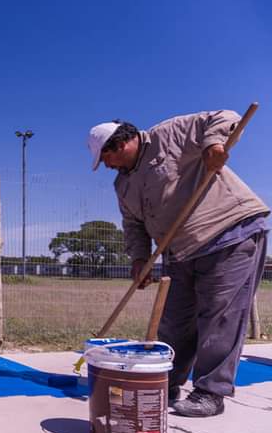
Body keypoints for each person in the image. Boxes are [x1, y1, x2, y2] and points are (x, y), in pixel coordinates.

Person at [86, 110, 268, 417]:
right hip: (179, 251)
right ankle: (166, 382)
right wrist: (140, 258)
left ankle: (211, 393)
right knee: (175, 322)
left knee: (220, 317)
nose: (106, 166)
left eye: (105, 158)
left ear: (118, 146)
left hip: (229, 233)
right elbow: (133, 225)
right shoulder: (123, 185)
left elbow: (224, 117)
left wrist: (212, 145)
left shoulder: (167, 134)